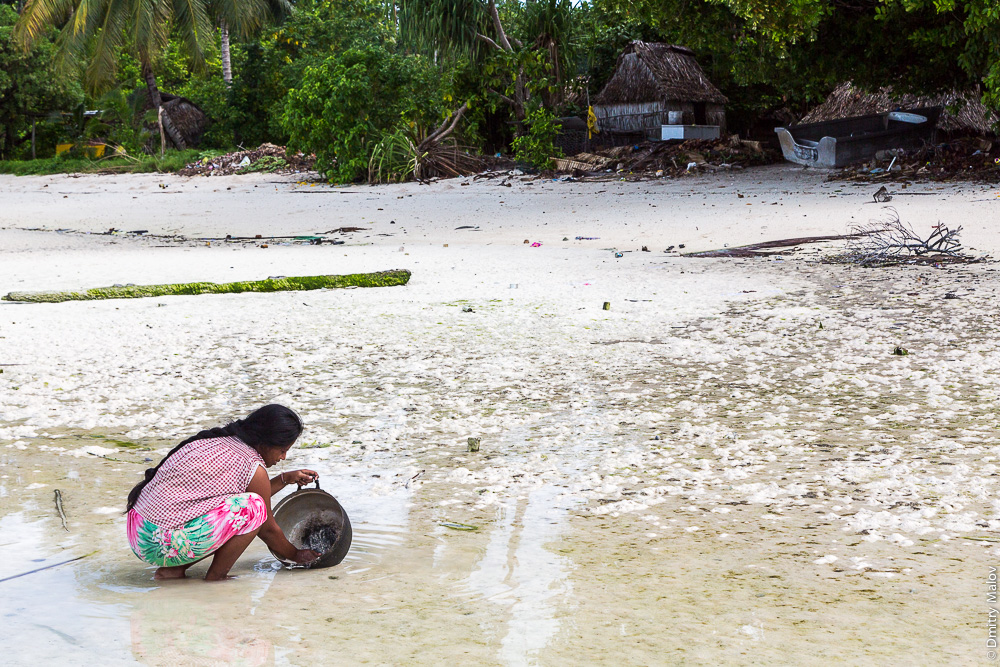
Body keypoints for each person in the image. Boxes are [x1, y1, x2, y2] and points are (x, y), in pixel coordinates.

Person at [126, 404, 321, 580]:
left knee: (248, 507)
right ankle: (215, 578)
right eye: (282, 450)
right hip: (160, 544)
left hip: (140, 532)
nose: (284, 457)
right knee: (253, 508)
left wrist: (284, 479)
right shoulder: (252, 464)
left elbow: (244, 497)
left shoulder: (221, 441)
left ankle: (172, 570)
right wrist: (296, 555)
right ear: (266, 442)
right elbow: (267, 527)